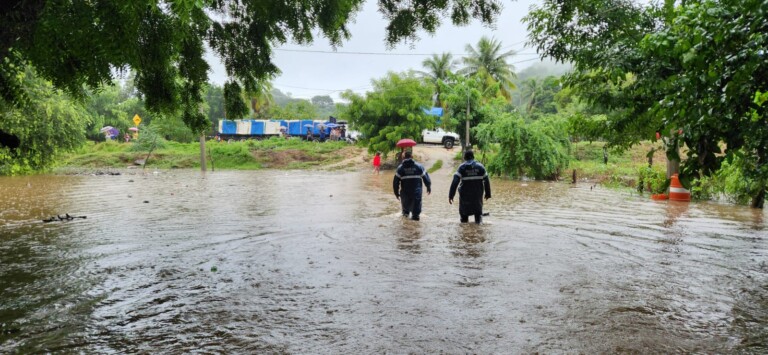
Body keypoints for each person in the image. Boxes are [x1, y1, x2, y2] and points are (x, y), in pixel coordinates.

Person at [449, 150, 491, 224]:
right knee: (478, 220)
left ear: (465, 157)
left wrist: (451, 195)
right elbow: (486, 181)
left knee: (464, 221)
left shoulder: (462, 168)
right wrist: (488, 194)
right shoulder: (481, 167)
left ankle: (465, 232)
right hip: (477, 198)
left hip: (465, 198)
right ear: (473, 157)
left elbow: (455, 182)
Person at [393, 150, 431, 221]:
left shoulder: (400, 168)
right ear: (412, 157)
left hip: (405, 194)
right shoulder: (419, 167)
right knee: (416, 215)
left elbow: (395, 182)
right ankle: (415, 229)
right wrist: (428, 187)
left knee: (405, 214)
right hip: (416, 193)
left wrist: (396, 193)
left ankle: (405, 229)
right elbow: (426, 178)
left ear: (403, 158)